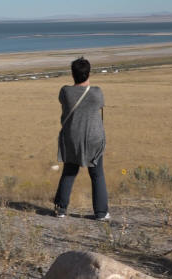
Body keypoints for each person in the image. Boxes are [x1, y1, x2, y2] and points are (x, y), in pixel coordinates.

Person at [54, 57, 109, 221]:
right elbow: (100, 105)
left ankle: (60, 209)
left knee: (69, 172)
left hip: (72, 138)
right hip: (94, 138)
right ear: (89, 73)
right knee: (97, 174)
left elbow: (63, 101)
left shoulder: (65, 92)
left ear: (72, 74)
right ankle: (100, 213)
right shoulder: (96, 92)